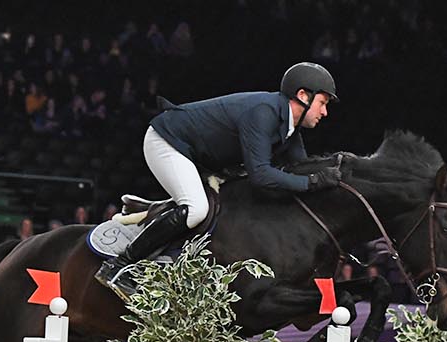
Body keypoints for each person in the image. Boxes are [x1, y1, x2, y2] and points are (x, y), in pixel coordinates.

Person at [94, 62, 340, 299]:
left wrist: (328, 181)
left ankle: (153, 220)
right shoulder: (263, 113)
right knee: (196, 210)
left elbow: (298, 171)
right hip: (167, 141)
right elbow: (262, 175)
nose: (325, 112)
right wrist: (314, 182)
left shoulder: (289, 128)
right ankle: (119, 265)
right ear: (303, 96)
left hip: (198, 156)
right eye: (322, 103)